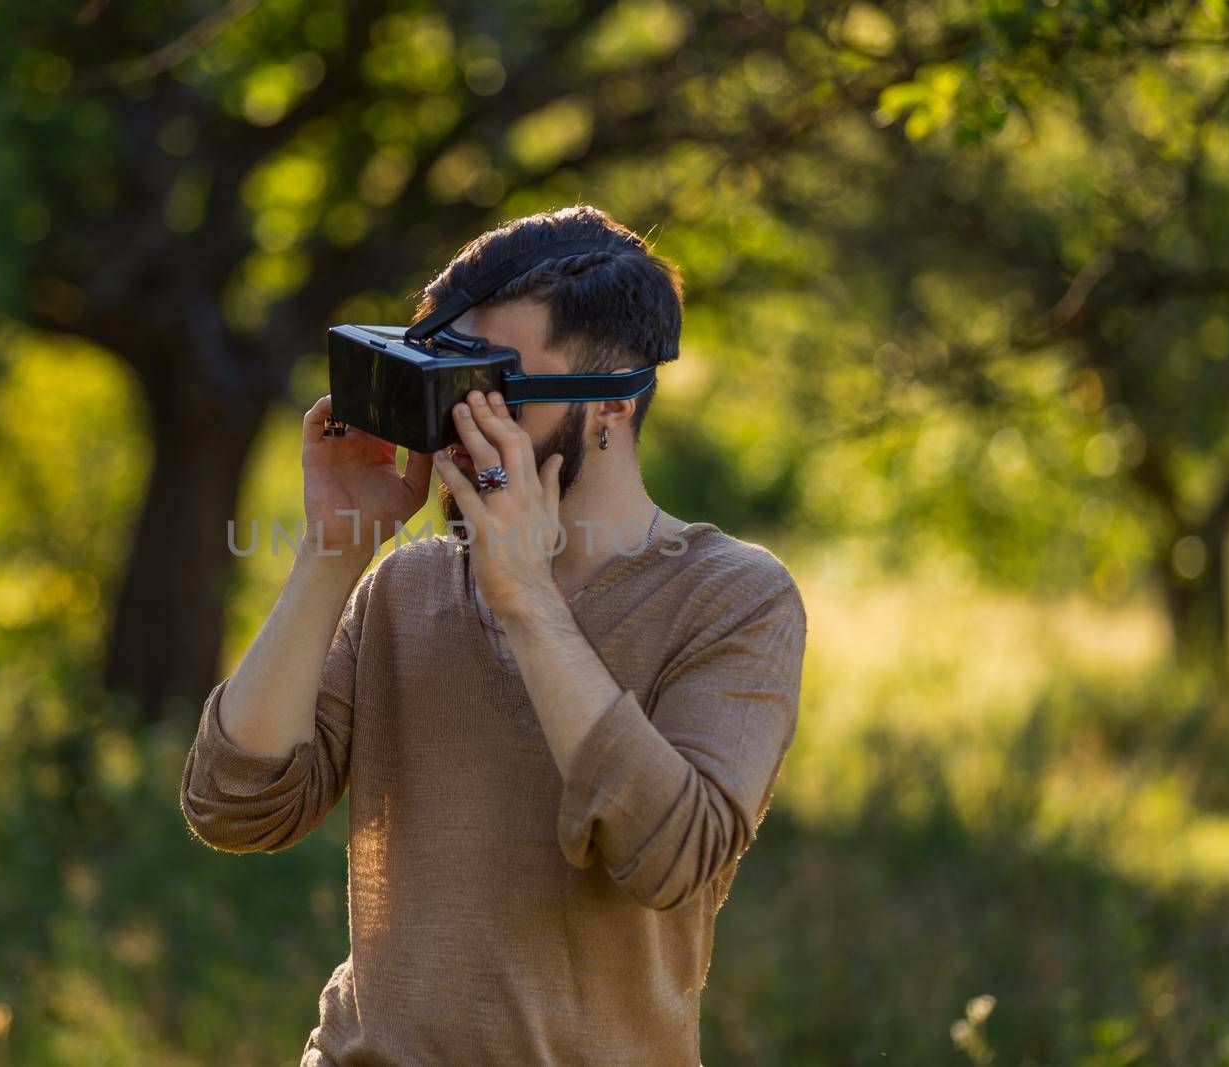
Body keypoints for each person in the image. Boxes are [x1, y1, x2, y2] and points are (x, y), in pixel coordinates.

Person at [180, 204, 808, 1066]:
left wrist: (528, 600)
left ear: (614, 400)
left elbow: (670, 858)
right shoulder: (407, 584)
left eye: (493, 386)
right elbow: (233, 805)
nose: (456, 418)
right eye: (446, 371)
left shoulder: (733, 596)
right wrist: (333, 555)